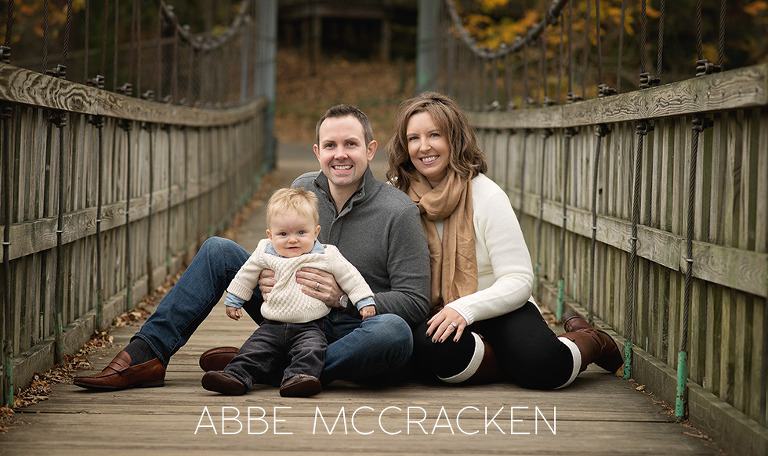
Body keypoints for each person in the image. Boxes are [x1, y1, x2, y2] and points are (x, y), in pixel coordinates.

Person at [73, 104, 430, 391]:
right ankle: (147, 354)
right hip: (288, 318)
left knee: (394, 333)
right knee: (218, 250)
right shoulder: (303, 189)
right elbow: (274, 248)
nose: (341, 155)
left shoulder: (398, 211)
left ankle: (267, 365)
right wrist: (265, 274)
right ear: (317, 151)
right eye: (330, 146)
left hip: (351, 330)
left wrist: (343, 298)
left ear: (370, 149)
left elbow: (415, 301)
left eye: (351, 144)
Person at [386, 91, 623, 389]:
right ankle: (511, 361)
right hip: (432, 310)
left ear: (454, 139)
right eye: (413, 138)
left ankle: (590, 339)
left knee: (545, 366)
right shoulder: (394, 197)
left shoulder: (486, 195)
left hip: (497, 307)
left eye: (435, 135)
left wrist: (465, 309)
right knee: (430, 348)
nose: (424, 147)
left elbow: (519, 279)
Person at [202, 187, 376, 397]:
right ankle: (235, 377)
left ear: (316, 232)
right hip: (271, 325)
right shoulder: (265, 251)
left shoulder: (326, 255)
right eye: (283, 234)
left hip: (310, 325)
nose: (292, 240)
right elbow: (246, 275)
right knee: (253, 349)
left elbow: (351, 277)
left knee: (311, 351)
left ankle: (298, 379)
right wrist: (234, 299)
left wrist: (364, 300)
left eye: (301, 233)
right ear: (270, 235)